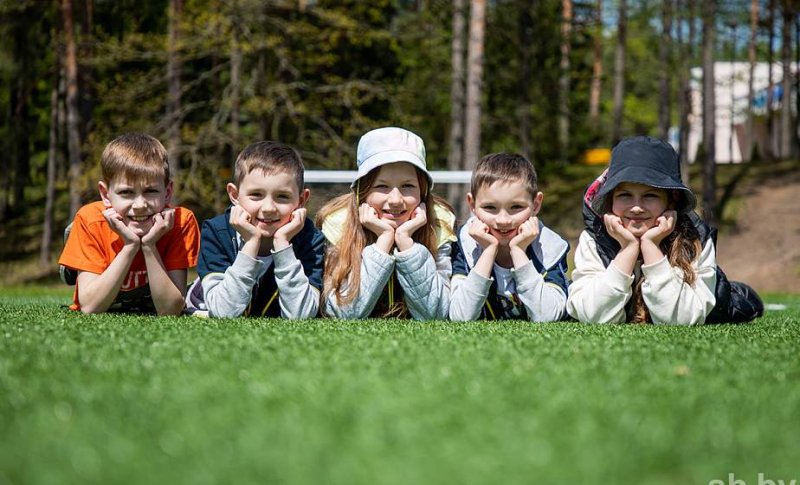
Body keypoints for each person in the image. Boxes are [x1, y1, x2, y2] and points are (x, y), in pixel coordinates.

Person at [567, 135, 764, 325]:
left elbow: (681, 320)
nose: (636, 207)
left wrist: (651, 247)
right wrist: (627, 250)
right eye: (625, 195)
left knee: (736, 302)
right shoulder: (594, 239)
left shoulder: (696, 239)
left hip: (720, 300)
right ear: (610, 199)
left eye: (650, 196)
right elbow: (592, 315)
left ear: (671, 200)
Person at [315, 126, 456, 319]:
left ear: (423, 190)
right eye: (382, 186)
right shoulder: (338, 222)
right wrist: (383, 242)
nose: (396, 200)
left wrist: (407, 246)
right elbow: (343, 313)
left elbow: (436, 314)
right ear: (362, 191)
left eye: (408, 186)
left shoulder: (440, 223)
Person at [58, 133, 200, 315]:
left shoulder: (180, 222)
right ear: (106, 194)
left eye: (151, 191)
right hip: (96, 233)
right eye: (126, 192)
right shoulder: (90, 219)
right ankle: (74, 263)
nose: (140, 205)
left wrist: (149, 246)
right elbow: (90, 308)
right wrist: (130, 246)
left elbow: (170, 310)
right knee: (89, 227)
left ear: (167, 192)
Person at [185, 141, 324, 318]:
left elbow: (301, 316)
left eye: (282, 196)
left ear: (302, 199)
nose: (268, 208)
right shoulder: (217, 232)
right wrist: (251, 244)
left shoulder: (311, 239)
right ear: (234, 195)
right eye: (256, 195)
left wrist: (282, 245)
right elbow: (224, 313)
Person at [450, 153, 570, 321]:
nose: (503, 220)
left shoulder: (550, 248)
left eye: (516, 207)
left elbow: (547, 317)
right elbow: (461, 317)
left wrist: (518, 251)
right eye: (490, 207)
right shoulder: (464, 244)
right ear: (472, 204)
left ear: (536, 204)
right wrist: (488, 251)